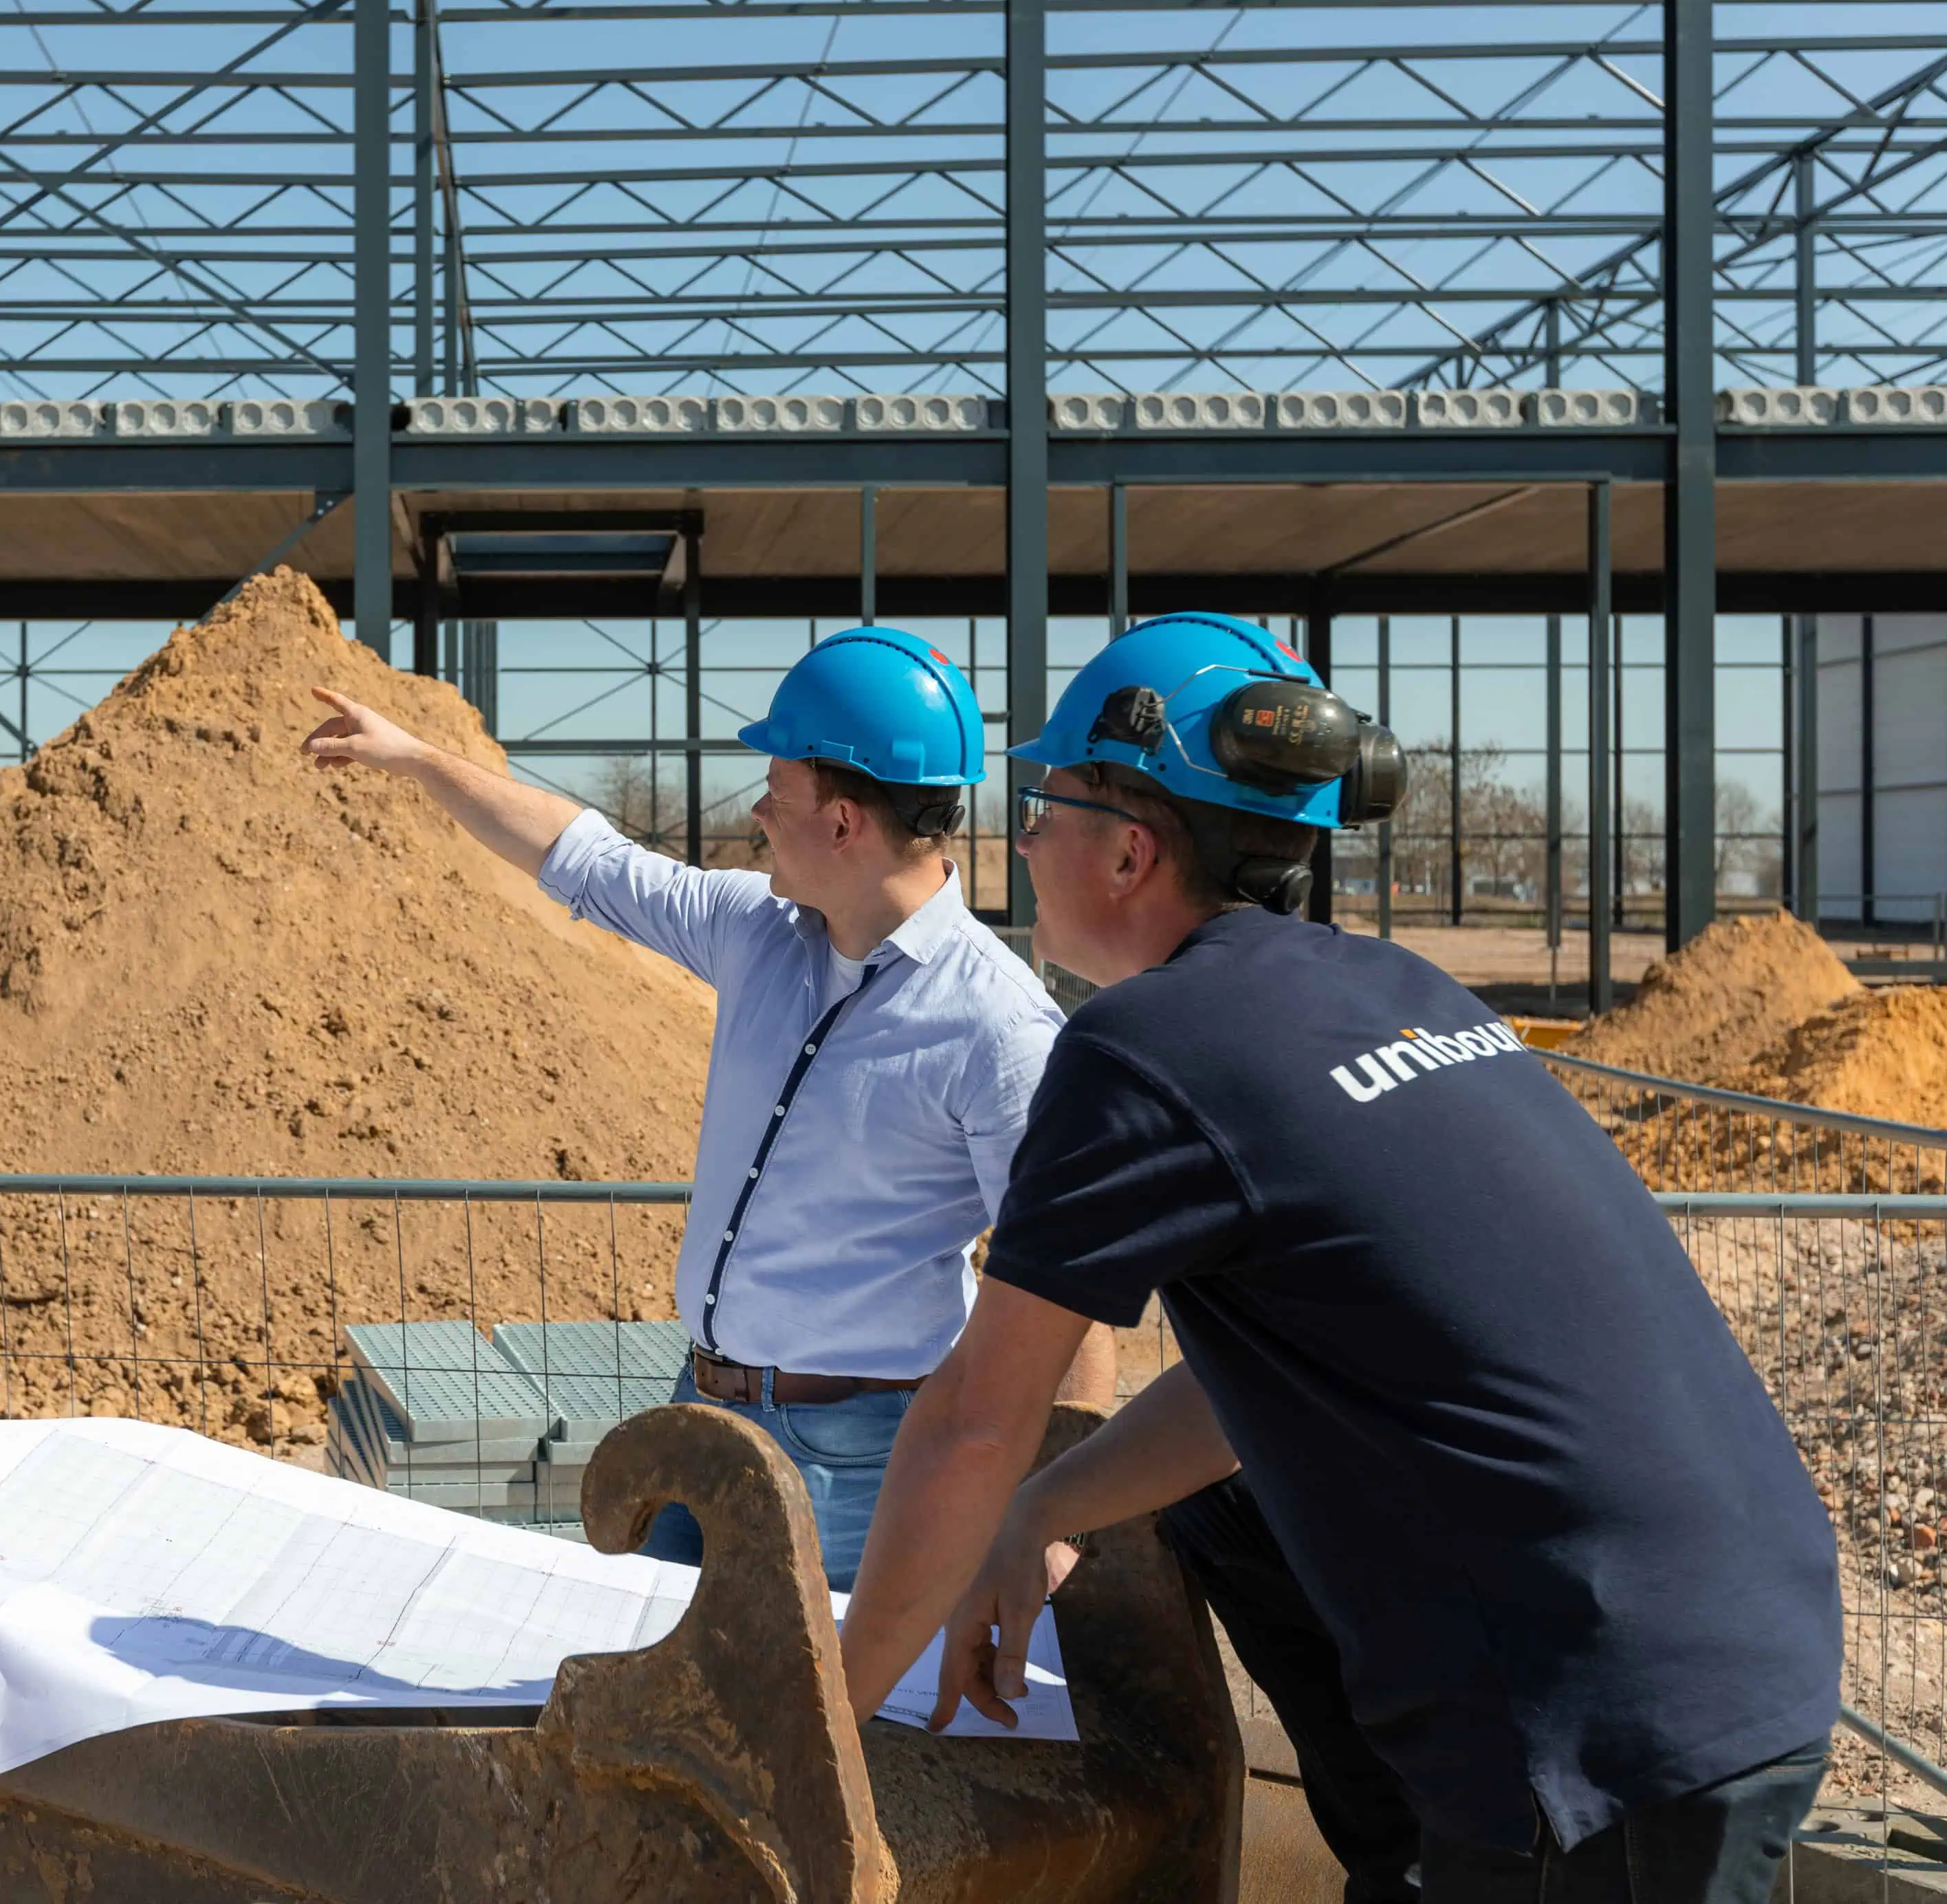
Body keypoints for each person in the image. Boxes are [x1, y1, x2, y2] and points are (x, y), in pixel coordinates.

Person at [836, 614, 1842, 1903]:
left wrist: (826, 1731)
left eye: (1044, 808)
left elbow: (976, 1416)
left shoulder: (1147, 1045)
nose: (1022, 844)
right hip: (1733, 1638)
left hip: (1599, 1722)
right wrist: (1041, 1511)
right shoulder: (1401, 991)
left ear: (1131, 847)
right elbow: (1256, 1389)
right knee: (1217, 1507)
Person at [305, 630, 1109, 1590]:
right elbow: (586, 859)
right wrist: (420, 758)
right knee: (665, 1702)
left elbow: (1069, 1296)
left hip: (861, 1458)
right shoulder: (754, 932)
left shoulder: (996, 1026)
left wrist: (1053, 1522)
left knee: (850, 1728)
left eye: (778, 789)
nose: (759, 810)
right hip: (706, 1414)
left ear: (845, 822)